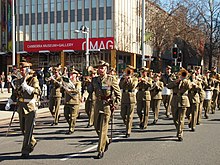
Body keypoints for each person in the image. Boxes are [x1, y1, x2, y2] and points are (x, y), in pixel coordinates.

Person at [5, 62, 41, 158]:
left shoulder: (33, 79)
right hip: (21, 107)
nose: (21, 71)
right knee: (23, 129)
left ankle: (25, 151)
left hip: (30, 108)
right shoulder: (19, 80)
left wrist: (28, 87)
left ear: (28, 69)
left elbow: (38, 91)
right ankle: (32, 141)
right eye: (20, 69)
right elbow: (15, 93)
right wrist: (10, 101)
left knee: (28, 131)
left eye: (23, 69)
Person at [91, 60, 121, 159]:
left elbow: (118, 94)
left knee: (103, 128)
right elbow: (90, 90)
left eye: (103, 68)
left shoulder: (111, 79)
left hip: (107, 105)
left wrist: (115, 104)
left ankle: (100, 150)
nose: (101, 69)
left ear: (106, 69)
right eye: (99, 68)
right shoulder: (95, 80)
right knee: (96, 126)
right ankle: (106, 141)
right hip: (97, 104)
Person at [167, 68, 191, 141]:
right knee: (175, 119)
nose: (182, 76)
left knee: (181, 119)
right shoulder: (175, 81)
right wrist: (176, 82)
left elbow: (189, 87)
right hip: (174, 100)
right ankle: (178, 129)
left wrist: (184, 80)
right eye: (181, 75)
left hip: (183, 100)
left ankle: (180, 134)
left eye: (183, 75)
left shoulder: (187, 81)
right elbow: (168, 86)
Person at [119, 65, 138, 137]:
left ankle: (128, 131)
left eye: (130, 70)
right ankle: (128, 124)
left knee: (129, 116)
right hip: (124, 97)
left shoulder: (135, 78)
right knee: (123, 114)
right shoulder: (122, 78)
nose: (128, 72)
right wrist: (124, 80)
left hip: (131, 98)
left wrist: (130, 80)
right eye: (127, 70)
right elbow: (120, 86)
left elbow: (133, 86)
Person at [63, 69, 82, 134]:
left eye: (73, 74)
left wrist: (69, 91)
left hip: (74, 101)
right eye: (71, 74)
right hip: (67, 101)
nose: (71, 75)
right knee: (66, 115)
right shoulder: (67, 82)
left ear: (76, 75)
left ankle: (71, 129)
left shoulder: (78, 83)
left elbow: (77, 90)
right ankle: (71, 124)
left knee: (73, 116)